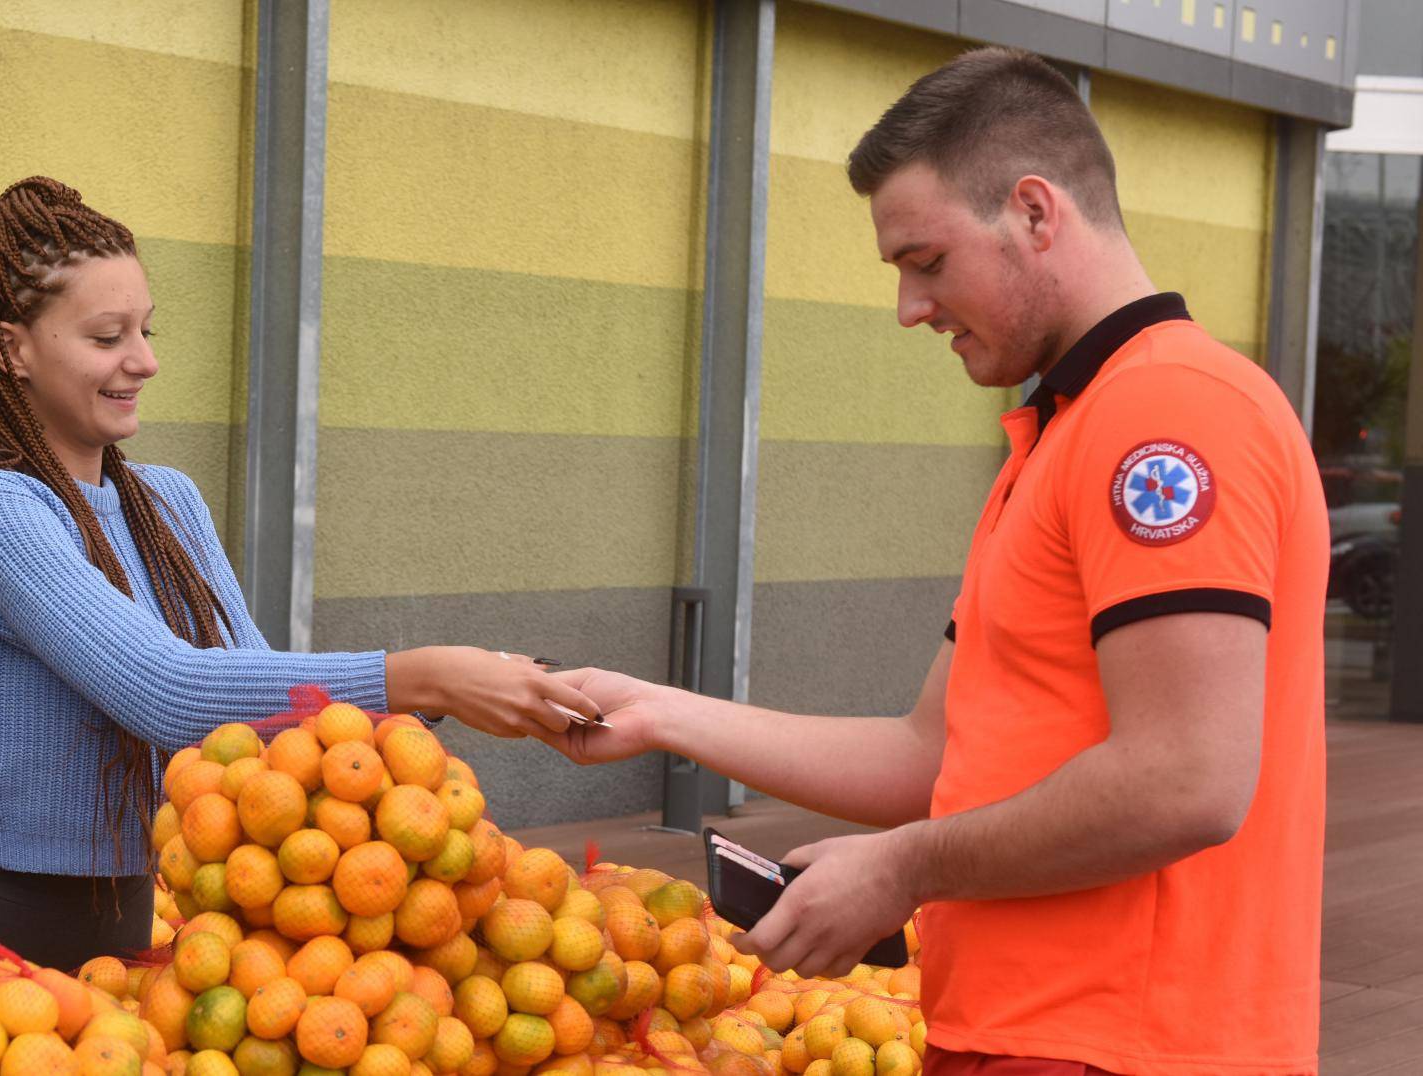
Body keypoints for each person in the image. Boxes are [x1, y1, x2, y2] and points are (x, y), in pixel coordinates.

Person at [538, 48, 1326, 1076]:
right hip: (1038, 1034)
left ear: (1036, 212)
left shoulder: (1164, 416)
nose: (911, 307)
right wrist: (658, 711)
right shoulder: (1062, 431)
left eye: (927, 260)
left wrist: (901, 868)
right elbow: (931, 755)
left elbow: (1186, 780)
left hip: (1122, 1044)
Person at [0, 176, 599, 971]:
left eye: (147, 330)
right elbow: (169, 691)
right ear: (11, 347)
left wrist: (460, 692)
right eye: (107, 336)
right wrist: (423, 676)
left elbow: (255, 709)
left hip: (126, 929)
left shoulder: (166, 503)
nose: (144, 361)